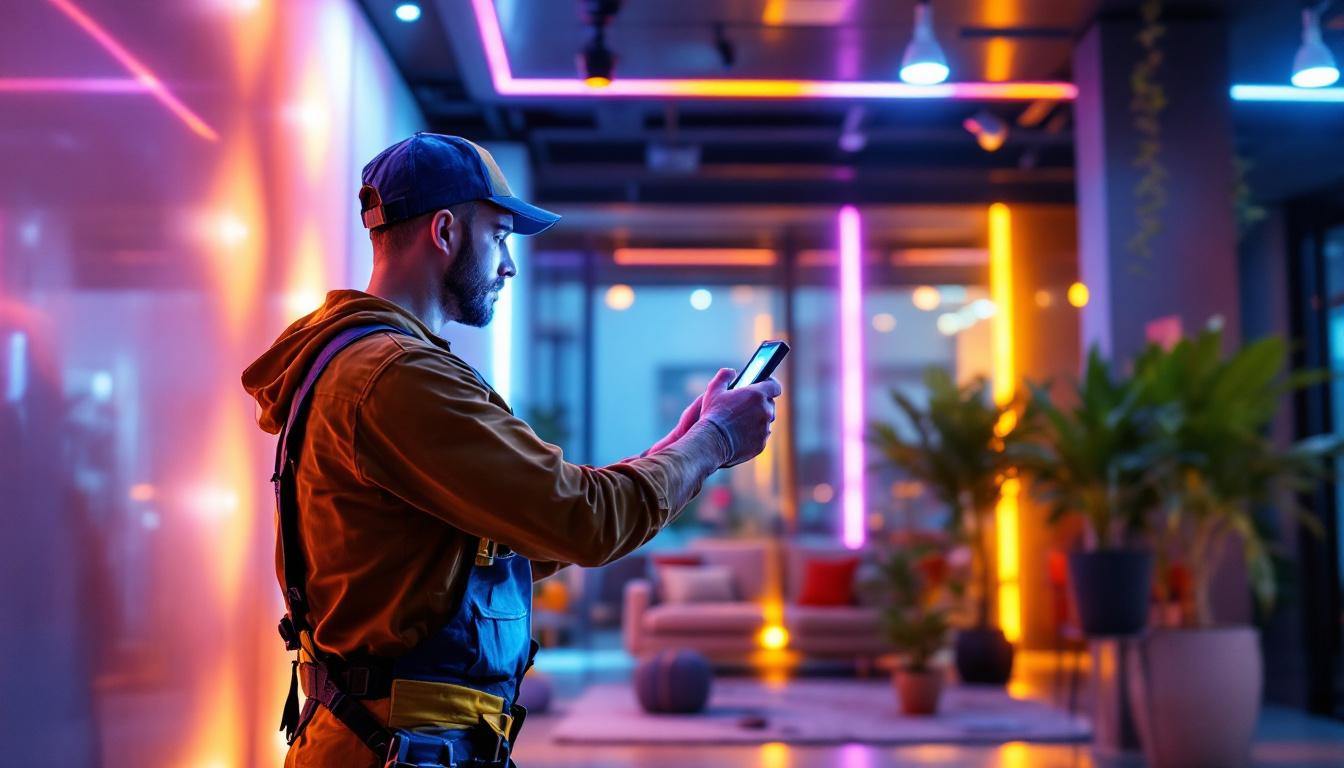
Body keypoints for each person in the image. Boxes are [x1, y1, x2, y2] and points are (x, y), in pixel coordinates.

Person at [241, 133, 782, 768]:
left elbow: (513, 540)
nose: (509, 264)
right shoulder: (398, 379)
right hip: (402, 749)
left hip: (388, 741)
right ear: (444, 231)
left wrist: (680, 445)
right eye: (498, 236)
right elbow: (584, 520)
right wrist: (714, 441)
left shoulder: (357, 366)